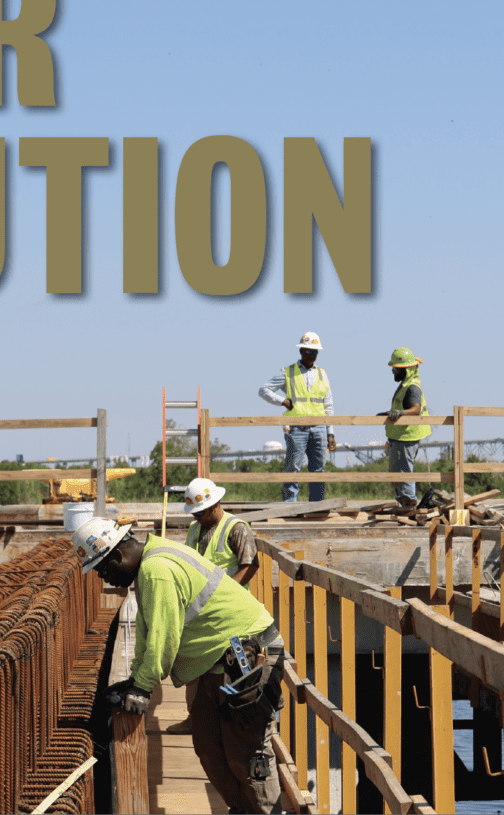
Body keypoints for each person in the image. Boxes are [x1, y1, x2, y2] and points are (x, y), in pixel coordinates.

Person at [72, 517, 285, 814]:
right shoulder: (150, 564)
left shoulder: (157, 569)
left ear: (117, 555)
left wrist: (144, 688)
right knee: (209, 746)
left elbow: (165, 638)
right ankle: (242, 809)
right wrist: (135, 680)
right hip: (218, 659)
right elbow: (148, 632)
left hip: (247, 654)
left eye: (104, 570)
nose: (105, 580)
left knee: (247, 753)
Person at [167, 477, 260, 735]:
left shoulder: (237, 528)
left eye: (200, 511)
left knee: (230, 665)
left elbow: (250, 565)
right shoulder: (195, 529)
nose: (196, 516)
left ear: (216, 504)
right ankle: (194, 719)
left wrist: (226, 592)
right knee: (194, 660)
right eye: (193, 512)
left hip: (230, 612)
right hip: (201, 611)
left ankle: (231, 720)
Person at [259, 331, 337, 502]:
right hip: (296, 428)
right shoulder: (288, 372)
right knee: (293, 468)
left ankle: (317, 505)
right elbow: (263, 390)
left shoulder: (323, 374)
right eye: (308, 351)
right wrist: (282, 401)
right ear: (301, 351)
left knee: (318, 469)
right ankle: (289, 506)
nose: (311, 355)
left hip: (319, 428)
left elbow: (328, 405)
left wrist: (330, 432)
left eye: (315, 352)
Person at [380, 347, 431, 507]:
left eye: (395, 368)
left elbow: (416, 409)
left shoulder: (412, 387)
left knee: (404, 471)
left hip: (407, 435)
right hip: (400, 435)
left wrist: (400, 412)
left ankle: (409, 502)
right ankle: (404, 502)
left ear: (405, 370)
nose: (393, 371)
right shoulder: (405, 385)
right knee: (398, 472)